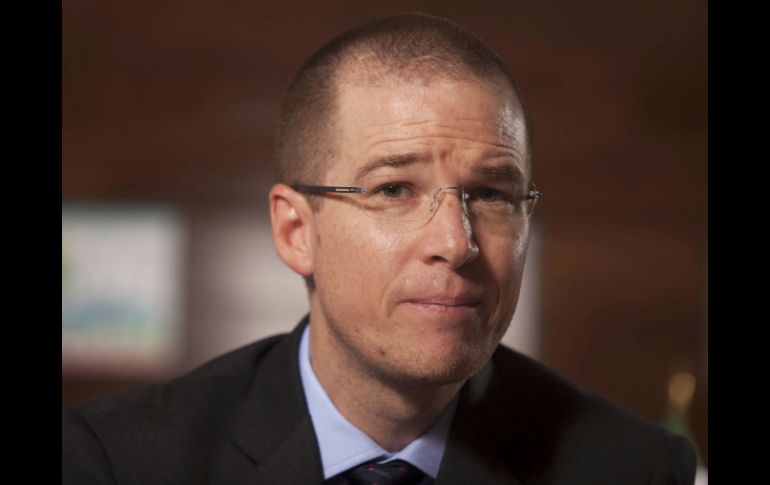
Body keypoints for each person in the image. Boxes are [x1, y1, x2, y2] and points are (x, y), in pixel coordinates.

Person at [62, 12, 696, 484]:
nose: (456, 243)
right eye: (394, 189)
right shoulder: (112, 462)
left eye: (491, 194)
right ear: (296, 232)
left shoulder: (634, 469)